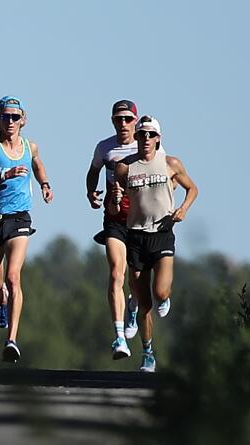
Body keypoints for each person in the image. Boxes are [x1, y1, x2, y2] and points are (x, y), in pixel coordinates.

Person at [111, 116, 198, 373]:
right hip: (135, 236)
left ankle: (158, 298)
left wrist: (182, 209)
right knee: (144, 301)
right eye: (141, 135)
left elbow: (192, 188)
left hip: (161, 233)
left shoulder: (170, 163)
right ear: (136, 138)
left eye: (150, 135)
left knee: (160, 293)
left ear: (158, 138)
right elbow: (116, 206)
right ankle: (148, 352)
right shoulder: (124, 167)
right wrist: (115, 199)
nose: (146, 139)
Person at [0, 96, 52, 363]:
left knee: (13, 277)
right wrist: (2, 176)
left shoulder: (31, 146)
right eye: (5, 117)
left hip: (19, 219)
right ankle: (1, 298)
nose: (10, 122)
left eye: (15, 117)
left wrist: (45, 184)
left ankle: (12, 339)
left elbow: (37, 164)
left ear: (23, 120)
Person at [86, 99, 146, 358]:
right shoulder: (104, 147)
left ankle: (132, 307)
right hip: (114, 218)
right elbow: (93, 171)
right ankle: (119, 337)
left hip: (141, 221)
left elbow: (166, 176)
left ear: (136, 121)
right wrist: (91, 192)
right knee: (116, 273)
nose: (122, 124)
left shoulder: (147, 145)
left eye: (127, 119)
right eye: (118, 119)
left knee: (136, 279)